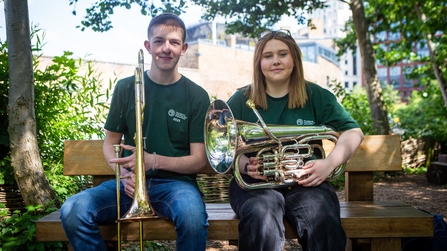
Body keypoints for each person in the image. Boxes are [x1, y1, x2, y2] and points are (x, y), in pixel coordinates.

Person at [60, 13, 210, 251]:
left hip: (177, 185)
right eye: (159, 41)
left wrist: (154, 161)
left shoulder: (197, 95)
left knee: (193, 218)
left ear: (184, 49)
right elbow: (110, 143)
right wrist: (122, 173)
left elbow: (199, 160)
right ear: (148, 46)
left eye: (174, 42)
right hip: (129, 184)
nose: (166, 48)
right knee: (73, 209)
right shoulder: (125, 88)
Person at [226, 29, 364, 251]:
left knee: (323, 221)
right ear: (259, 62)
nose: (276, 61)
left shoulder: (316, 96)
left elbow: (353, 132)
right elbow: (221, 147)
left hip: (307, 182)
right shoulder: (241, 100)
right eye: (268, 56)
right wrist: (245, 164)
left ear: (294, 59)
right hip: (255, 184)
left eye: (283, 54)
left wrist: (329, 164)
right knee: (261, 214)